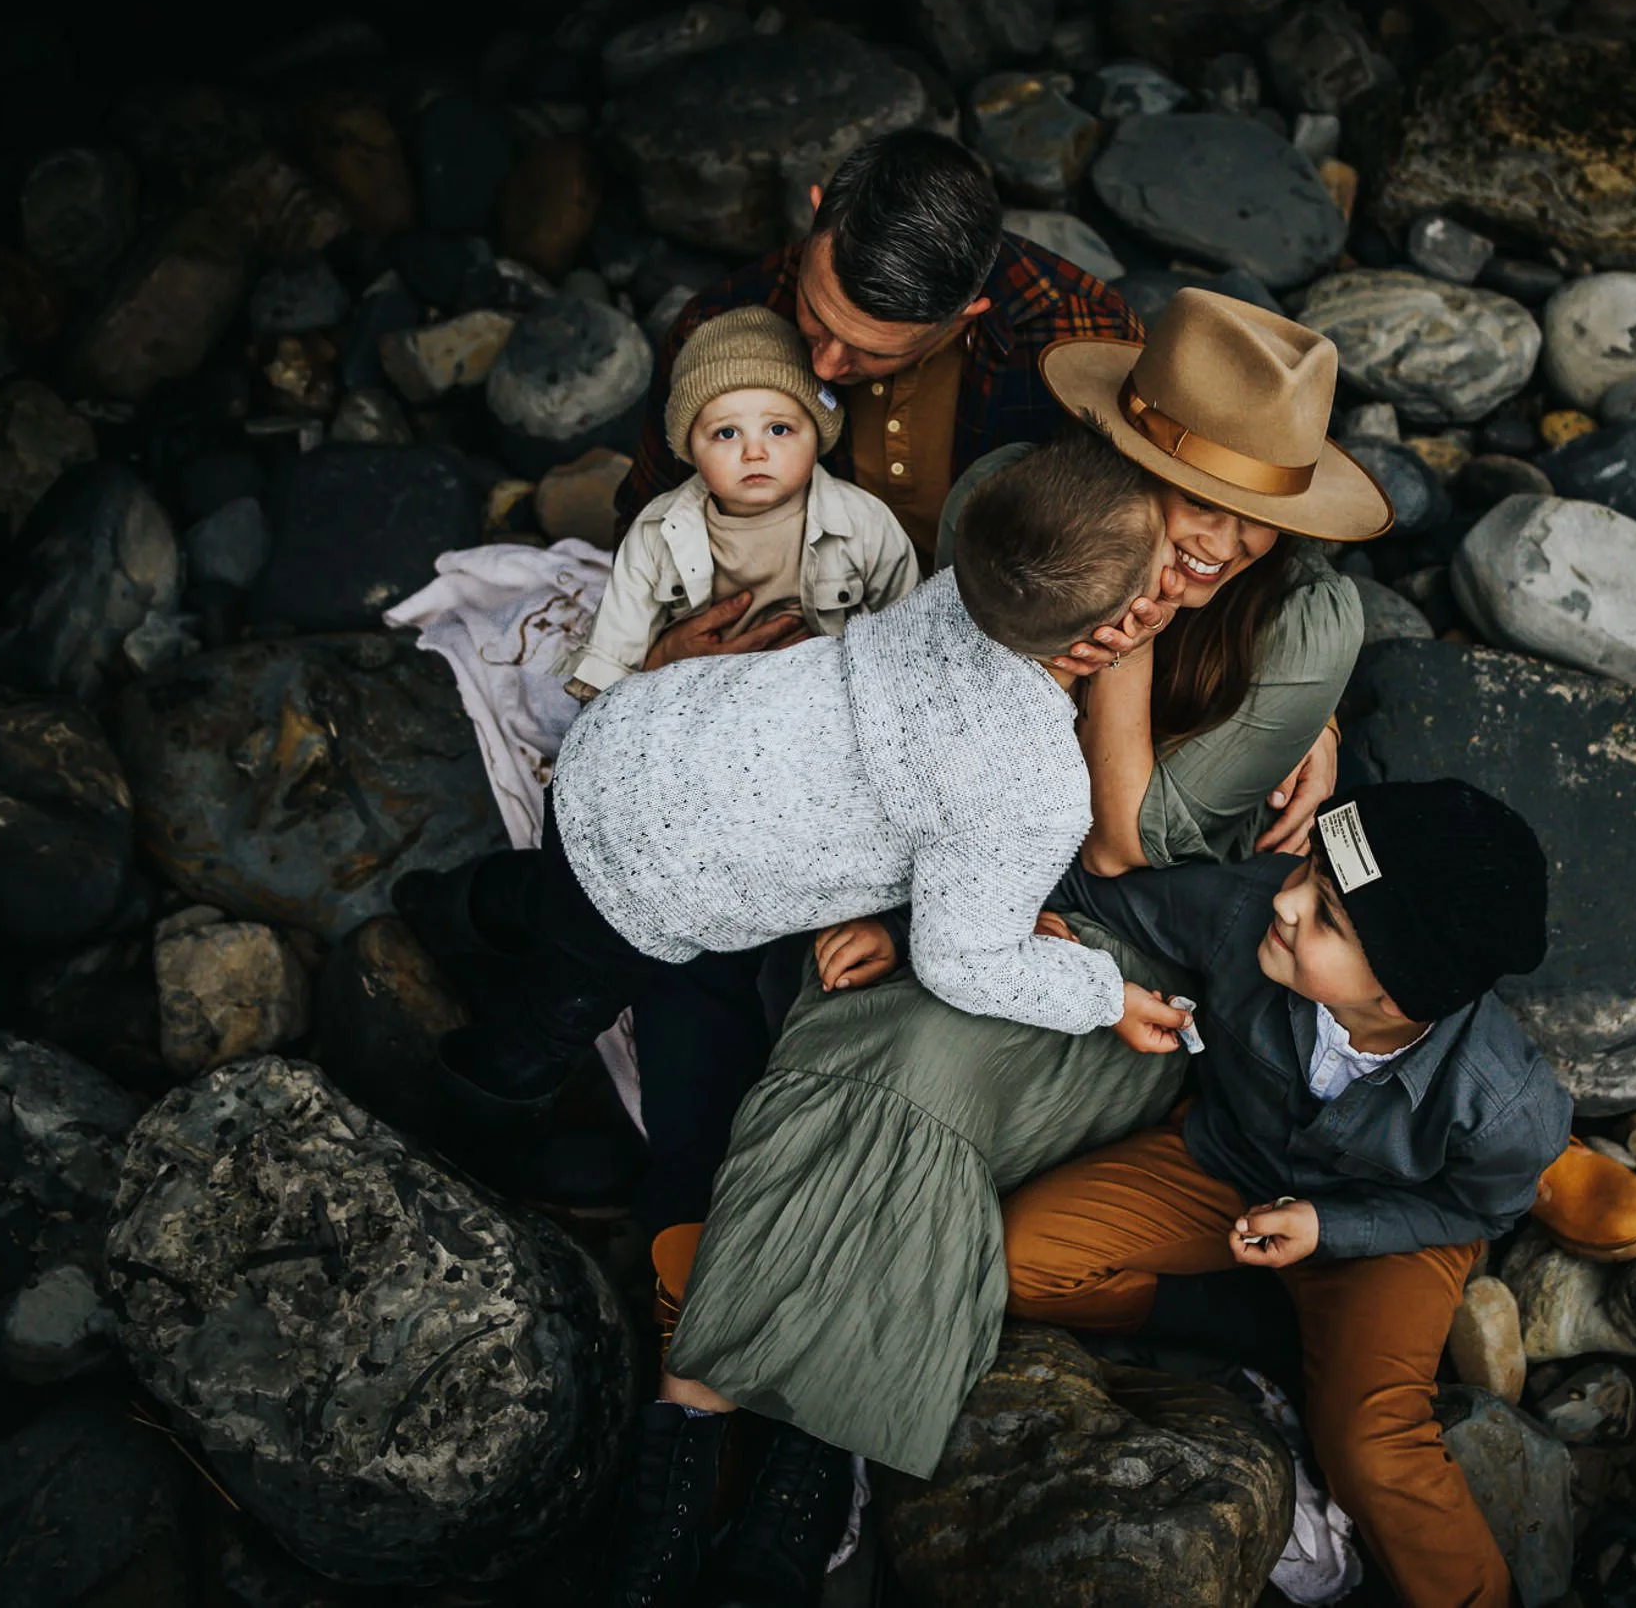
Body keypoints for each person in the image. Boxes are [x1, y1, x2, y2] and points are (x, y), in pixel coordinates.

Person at [601, 292, 1395, 1604]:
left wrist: (1138, 622)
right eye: (1198, 499)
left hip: (1124, 960)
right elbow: (902, 718)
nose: (1227, 543)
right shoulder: (1011, 507)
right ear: (1128, 457)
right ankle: (730, 1444)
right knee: (863, 1018)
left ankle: (764, 1434)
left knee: (912, 1065)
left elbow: (1126, 846)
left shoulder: (1305, 627)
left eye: (1263, 516)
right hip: (947, 886)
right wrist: (864, 891)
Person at [395, 435, 1187, 1223]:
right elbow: (963, 960)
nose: (1174, 582)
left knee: (548, 891)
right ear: (1111, 635)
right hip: (652, 879)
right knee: (557, 1007)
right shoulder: (1032, 787)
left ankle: (442, 908)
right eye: (1163, 570)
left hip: (630, 734)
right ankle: (470, 1126)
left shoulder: (970, 584)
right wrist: (1101, 994)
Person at [999, 781, 1564, 1608]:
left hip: (1389, 1234)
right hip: (1228, 1164)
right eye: (1308, 869)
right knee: (1023, 1259)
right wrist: (1041, 946)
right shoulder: (1248, 909)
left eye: (1329, 914)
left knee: (1372, 1448)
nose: (1290, 901)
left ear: (1401, 994)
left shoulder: (1504, 1106)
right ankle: (1262, 1329)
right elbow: (1082, 886)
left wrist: (1332, 1225)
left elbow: (1483, 1210)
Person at [619, 129, 1141, 597]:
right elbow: (646, 512)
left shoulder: (1085, 344)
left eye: (874, 352)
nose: (823, 366)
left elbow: (1133, 548)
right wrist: (664, 645)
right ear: (816, 212)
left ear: (966, 314)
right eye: (815, 316)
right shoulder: (715, 328)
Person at [564, 307, 916, 699]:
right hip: (701, 703)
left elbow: (911, 637)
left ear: (818, 437)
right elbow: (610, 661)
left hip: (833, 701)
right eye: (726, 433)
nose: (754, 452)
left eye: (779, 429)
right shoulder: (657, 533)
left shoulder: (864, 524)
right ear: (690, 452)